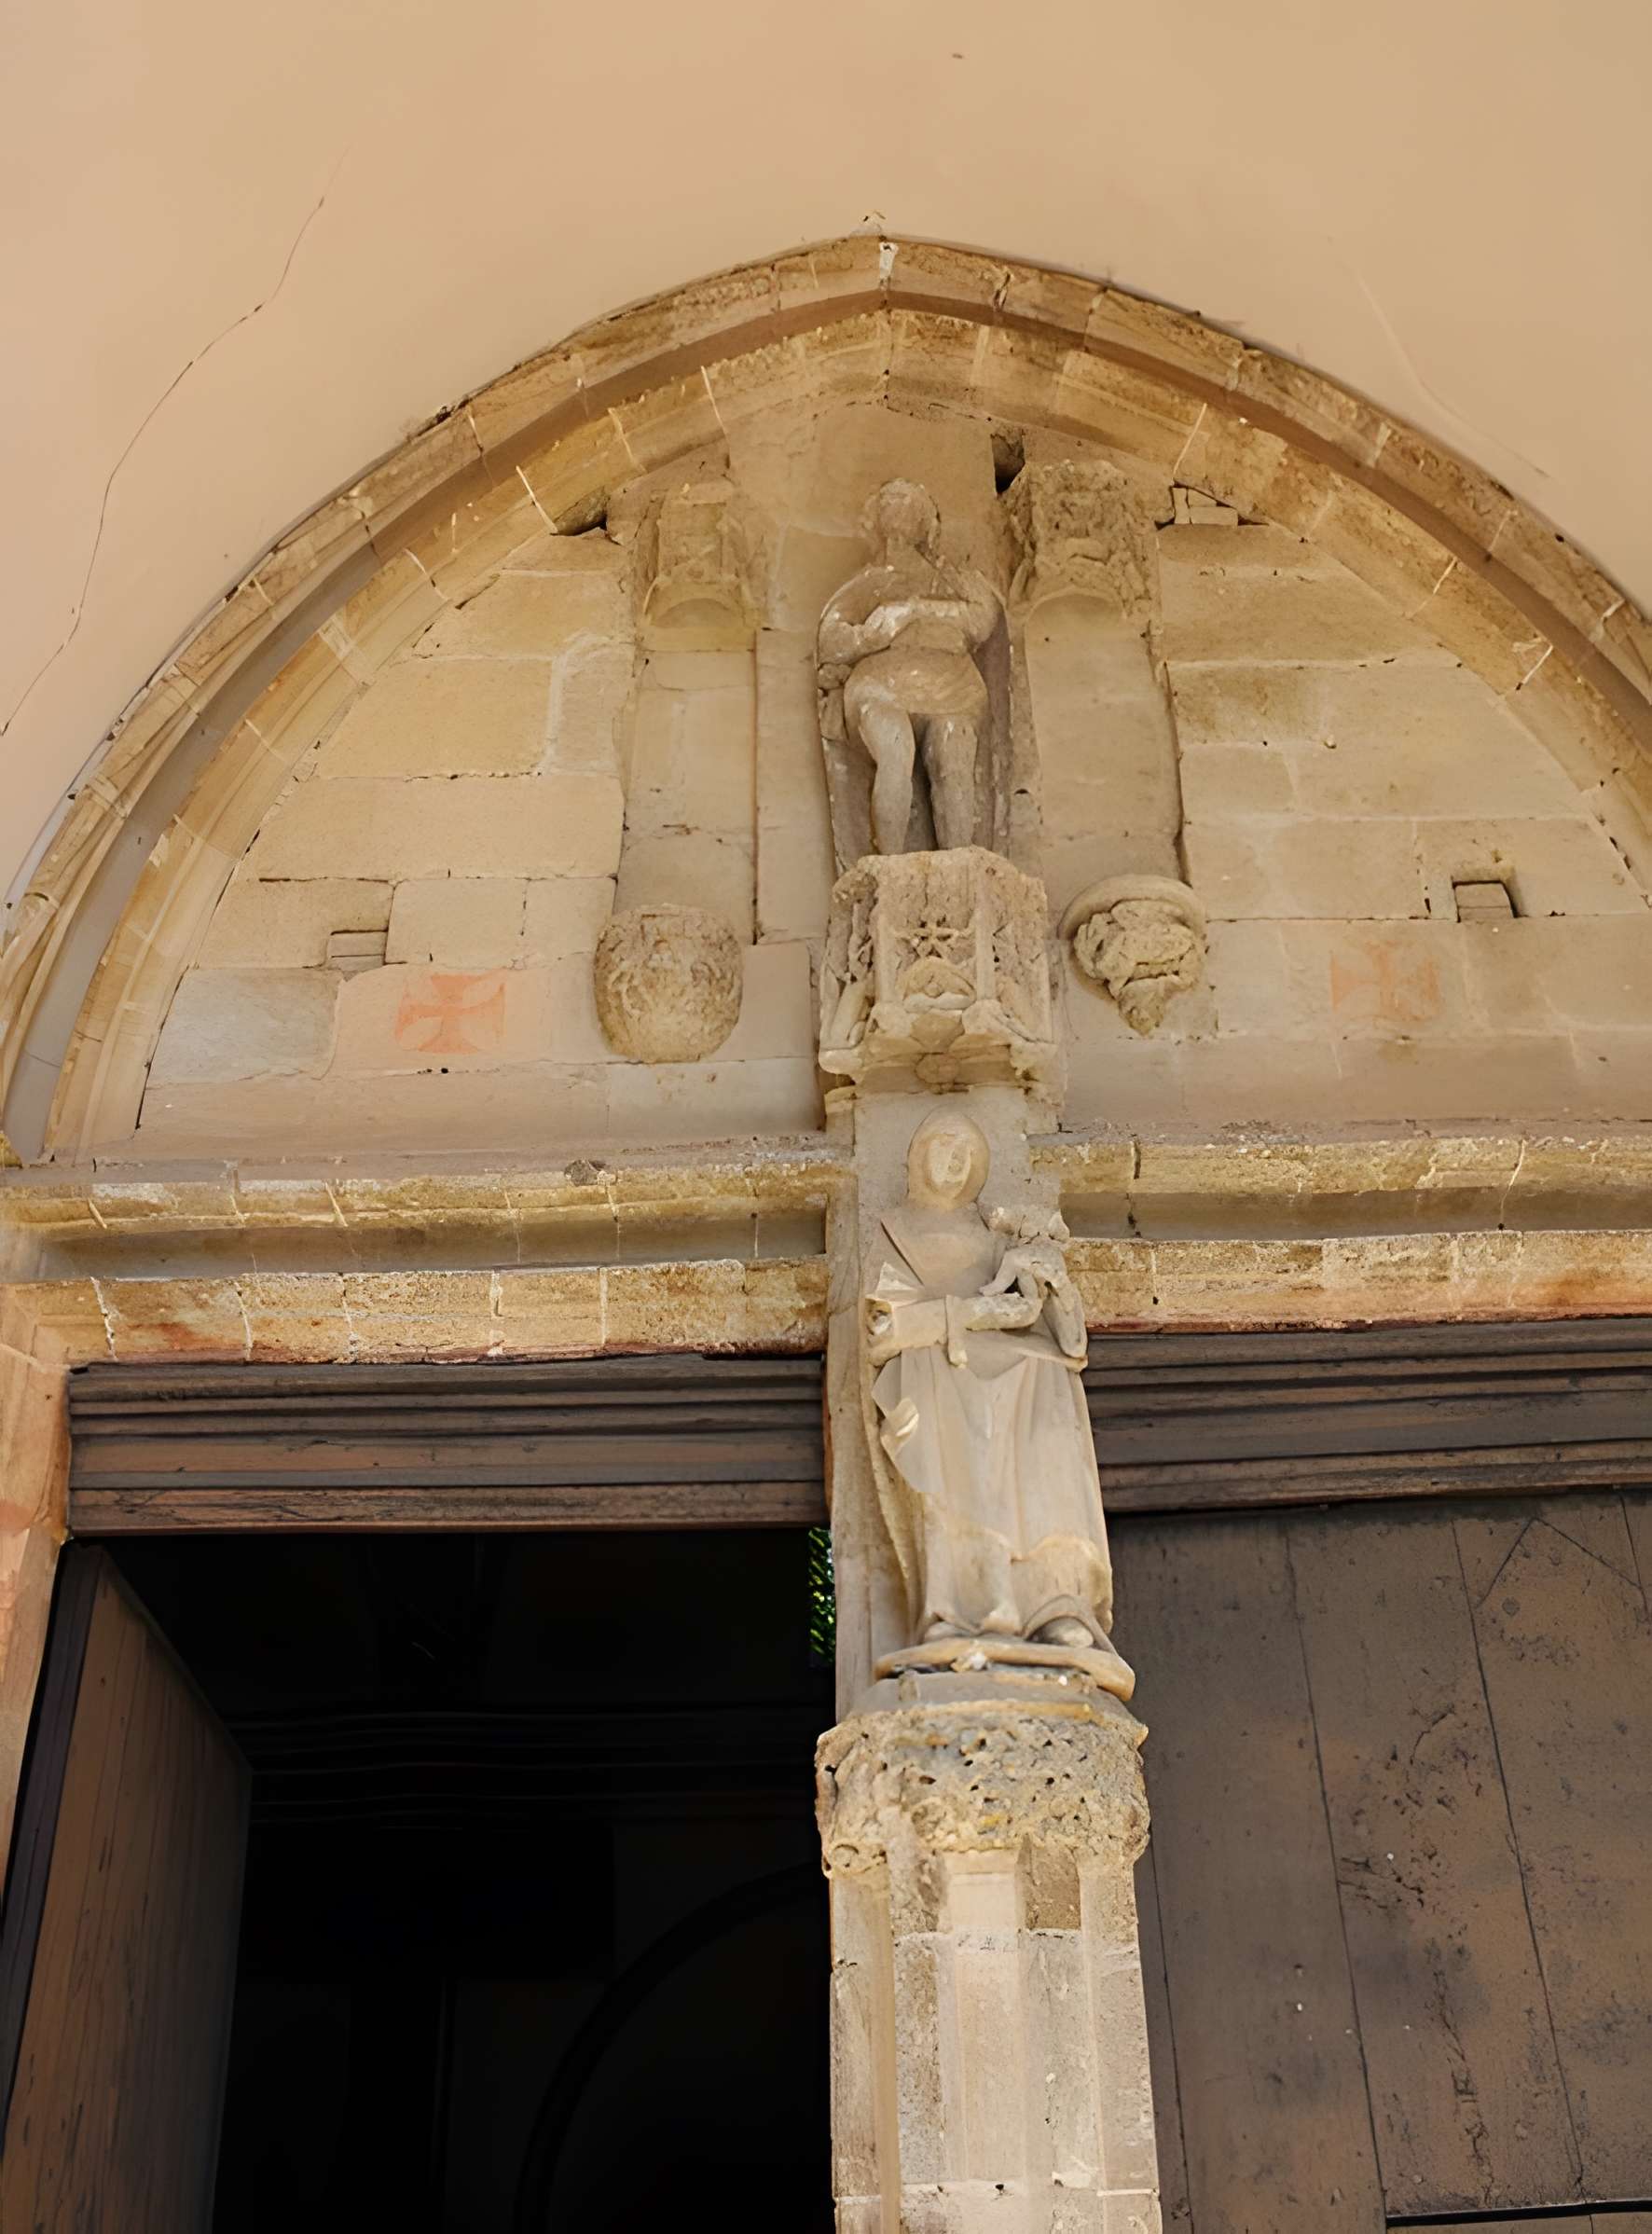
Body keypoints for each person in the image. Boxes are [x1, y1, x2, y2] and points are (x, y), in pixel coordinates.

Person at [864, 1108, 1127, 1678]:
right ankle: (959, 1608)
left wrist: (1047, 1279)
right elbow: (885, 1329)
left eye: (966, 1154)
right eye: (943, 1148)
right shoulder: (891, 1233)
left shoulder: (996, 1235)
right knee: (943, 1418)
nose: (954, 1162)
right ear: (917, 1156)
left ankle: (1053, 1603)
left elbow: (1053, 1329)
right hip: (936, 1368)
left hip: (1013, 1363)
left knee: (1051, 1396)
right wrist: (974, 1312)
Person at [818, 481, 999, 855]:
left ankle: (960, 862)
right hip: (882, 684)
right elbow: (830, 639)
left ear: (926, 522)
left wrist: (914, 609)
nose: (897, 509)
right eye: (888, 503)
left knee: (953, 750)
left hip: (952, 684)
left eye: (907, 503)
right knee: (895, 746)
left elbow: (983, 619)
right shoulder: (870, 582)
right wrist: (870, 636)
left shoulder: (953, 578)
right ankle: (890, 864)